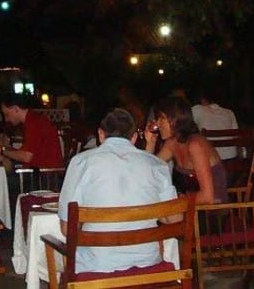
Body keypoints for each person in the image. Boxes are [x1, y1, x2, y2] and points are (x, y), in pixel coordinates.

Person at [57, 108, 179, 273]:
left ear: (101, 134)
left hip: (96, 267)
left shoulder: (81, 162)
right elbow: (175, 219)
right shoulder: (157, 165)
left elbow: (67, 229)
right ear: (134, 138)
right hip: (148, 263)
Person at [146, 95, 227, 205]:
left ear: (175, 120)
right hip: (190, 209)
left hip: (211, 213)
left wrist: (174, 202)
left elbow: (208, 197)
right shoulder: (172, 143)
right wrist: (150, 143)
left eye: (162, 118)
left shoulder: (195, 145)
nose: (158, 123)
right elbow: (148, 169)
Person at [0, 94, 64, 169]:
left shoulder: (34, 123)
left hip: (45, 176)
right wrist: (4, 149)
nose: (6, 119)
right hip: (40, 172)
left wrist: (1, 151)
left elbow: (26, 157)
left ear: (16, 109)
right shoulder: (33, 119)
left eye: (7, 114)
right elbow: (24, 153)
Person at [192, 94, 240, 159]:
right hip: (231, 157)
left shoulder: (198, 110)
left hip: (211, 160)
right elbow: (236, 135)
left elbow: (184, 122)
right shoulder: (229, 112)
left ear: (203, 100)